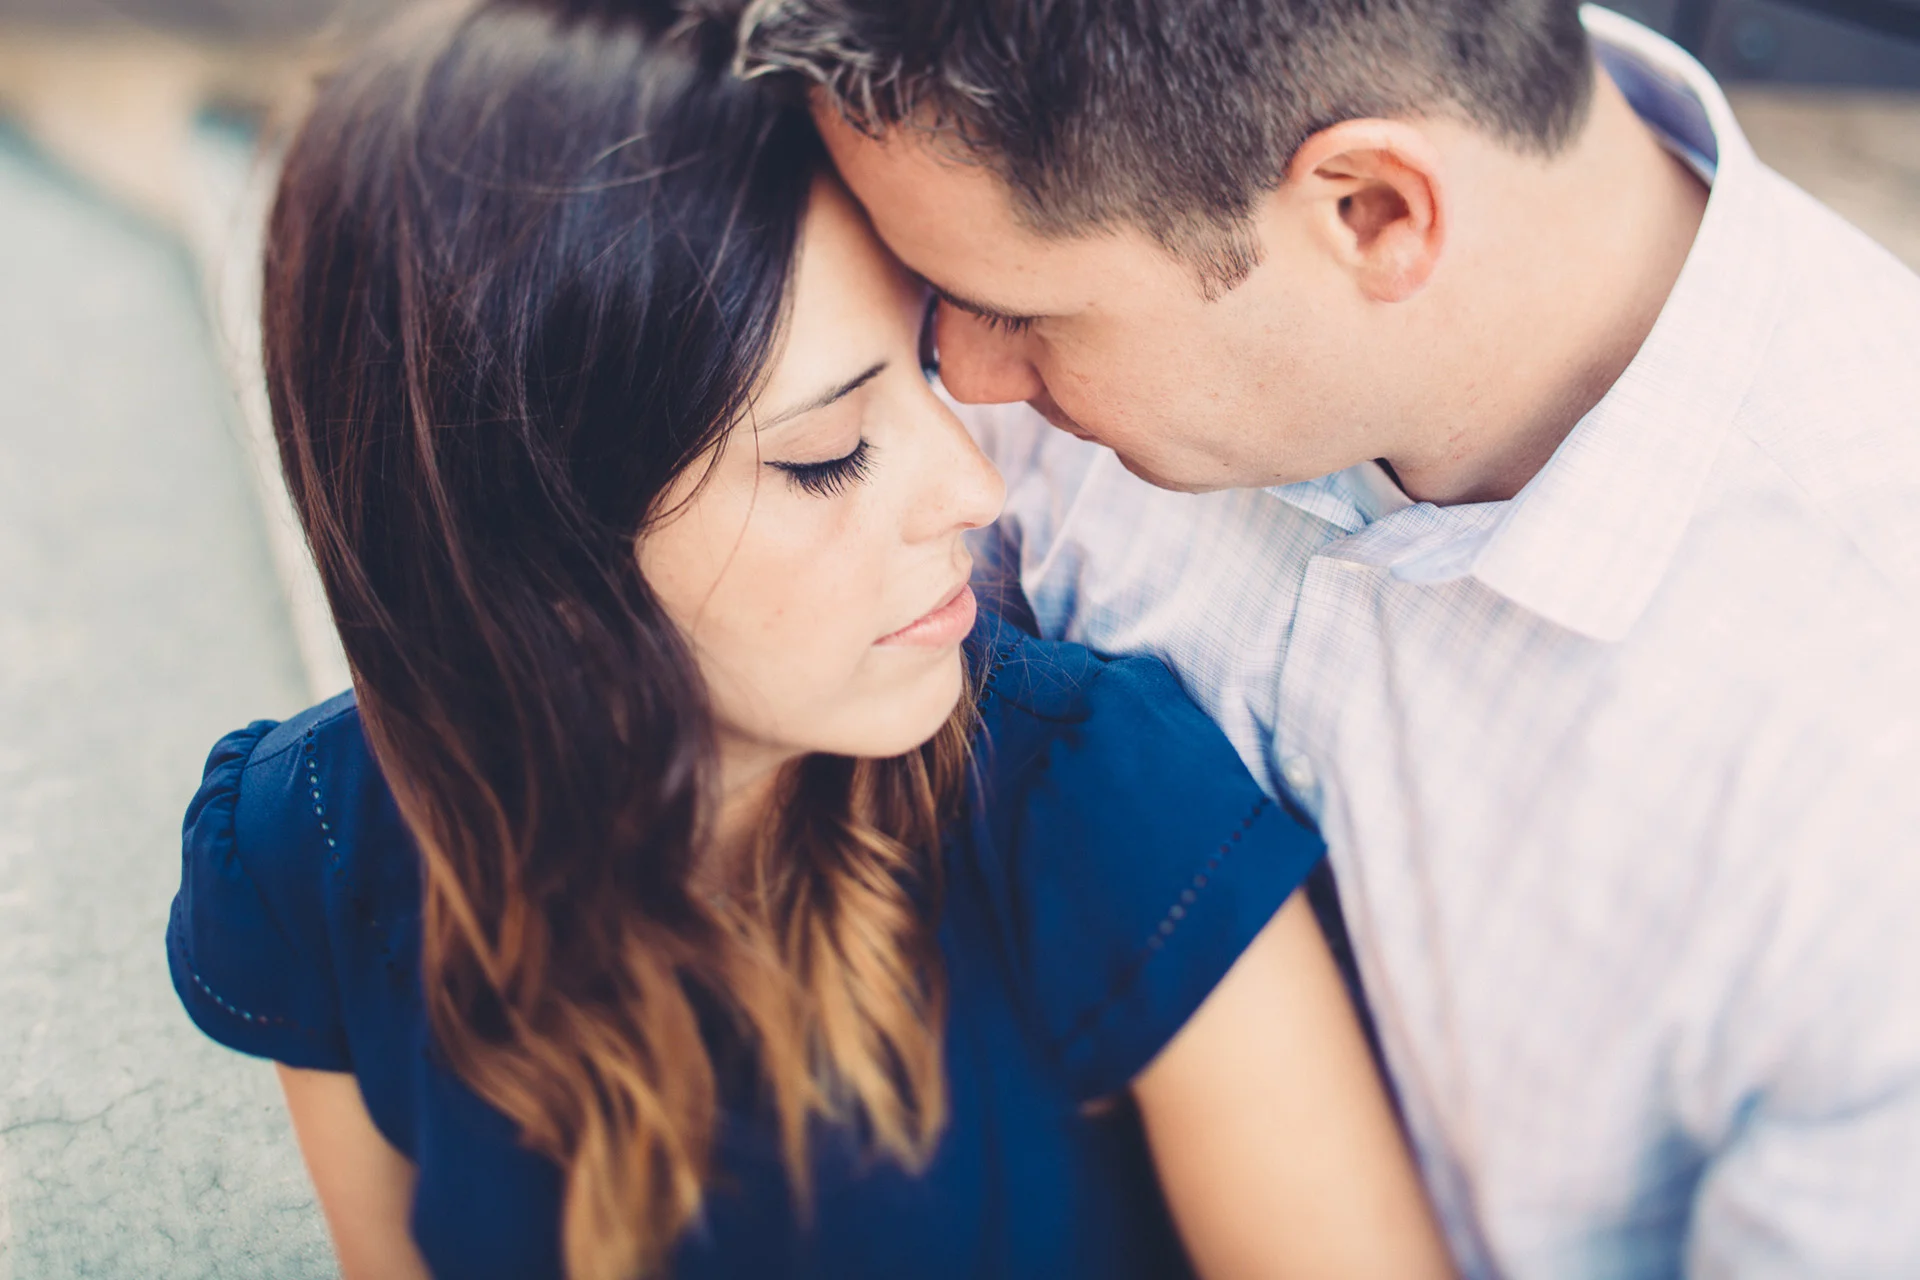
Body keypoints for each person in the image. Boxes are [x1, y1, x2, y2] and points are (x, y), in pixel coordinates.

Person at [165, 2, 1456, 1277]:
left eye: (923, 370)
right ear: (519, 542)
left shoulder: (1100, 813)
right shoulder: (307, 845)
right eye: (824, 456)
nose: (971, 490)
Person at [740, 1, 1920, 1275]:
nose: (957, 380)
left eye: (1023, 313)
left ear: (1372, 212)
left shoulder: (1858, 827)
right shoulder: (1166, 174)